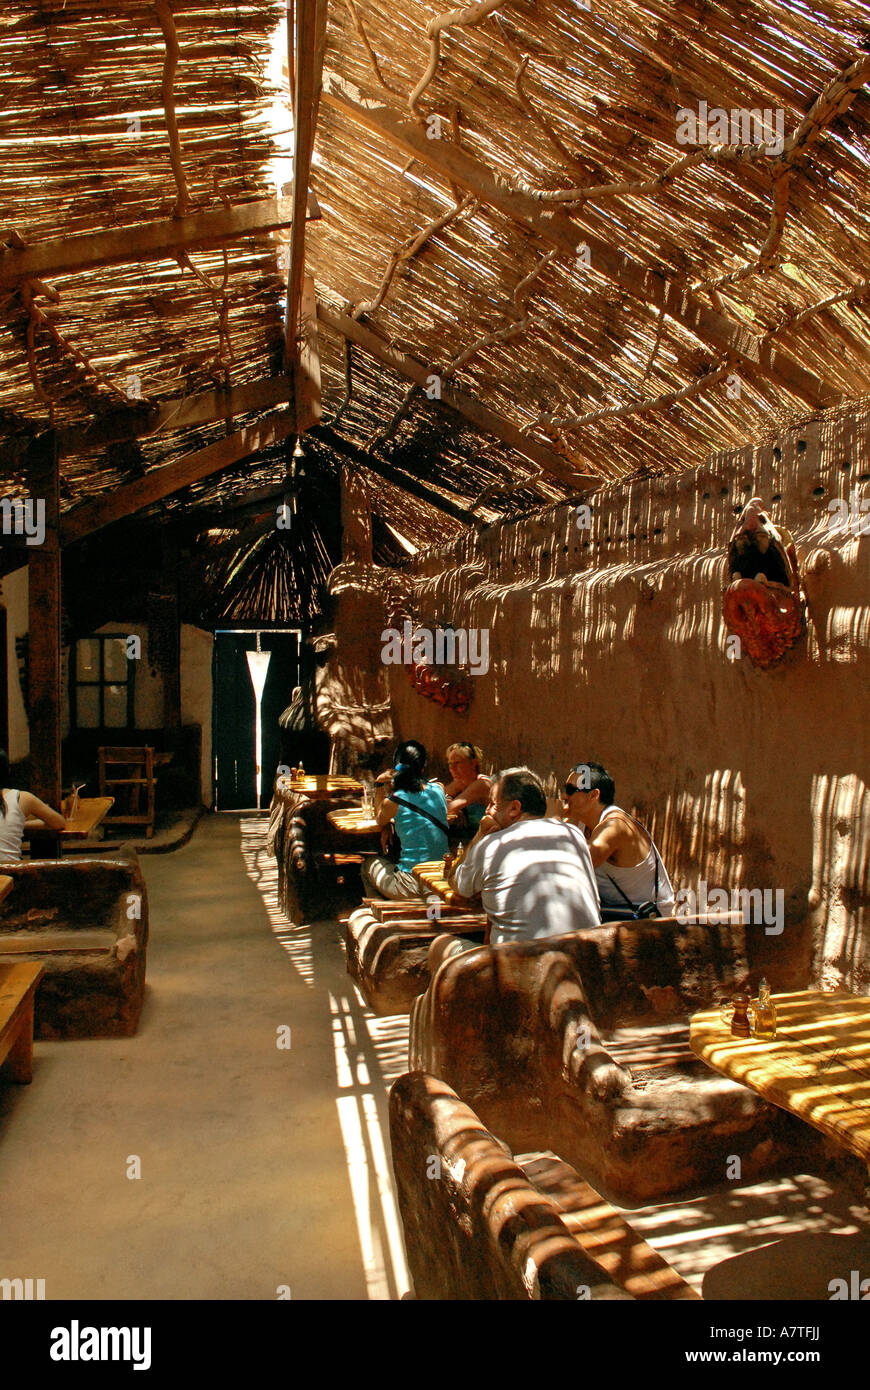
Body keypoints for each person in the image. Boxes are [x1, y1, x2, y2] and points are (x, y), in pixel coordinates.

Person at [447, 766, 600, 943]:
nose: (487, 811)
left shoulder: (492, 845)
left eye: (492, 804)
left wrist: (480, 835)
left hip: (521, 963)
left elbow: (457, 884)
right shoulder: (574, 835)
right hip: (583, 956)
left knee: (440, 946)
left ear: (514, 808)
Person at [562, 761, 675, 917]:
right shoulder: (580, 820)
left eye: (570, 790)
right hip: (615, 914)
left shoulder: (616, 825)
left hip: (647, 919)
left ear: (593, 795)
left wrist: (552, 818)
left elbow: (576, 864)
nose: (563, 796)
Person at [361, 740, 449, 900]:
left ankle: (378, 911)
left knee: (368, 865)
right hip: (442, 878)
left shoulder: (395, 800)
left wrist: (380, 782)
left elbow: (379, 819)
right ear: (423, 766)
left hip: (412, 884)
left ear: (396, 768)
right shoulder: (439, 789)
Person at [0, 750, 66, 861]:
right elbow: (59, 823)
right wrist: (19, 824)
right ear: (8, 770)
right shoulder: (21, 798)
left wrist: (21, 824)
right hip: (10, 874)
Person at [443, 742, 491, 833]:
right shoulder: (460, 783)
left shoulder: (481, 784)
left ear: (473, 763)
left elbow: (446, 808)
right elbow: (437, 800)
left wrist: (453, 807)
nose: (452, 768)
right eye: (450, 764)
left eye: (457, 763)